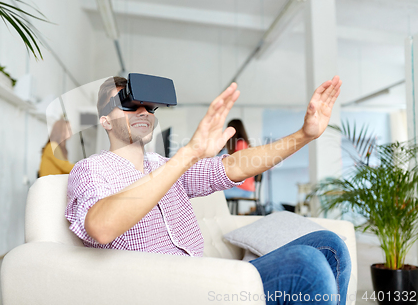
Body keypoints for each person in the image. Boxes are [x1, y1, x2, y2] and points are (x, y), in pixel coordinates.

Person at [66, 76, 350, 305]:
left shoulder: (165, 165)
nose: (142, 111)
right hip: (168, 293)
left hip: (206, 280)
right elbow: (101, 227)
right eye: (128, 104)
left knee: (329, 245)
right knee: (307, 264)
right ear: (104, 120)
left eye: (148, 106)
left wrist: (304, 135)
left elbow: (234, 167)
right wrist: (188, 155)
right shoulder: (91, 169)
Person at [223, 119, 255, 199]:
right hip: (240, 187)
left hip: (243, 189)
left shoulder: (241, 144)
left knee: (214, 193)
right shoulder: (239, 144)